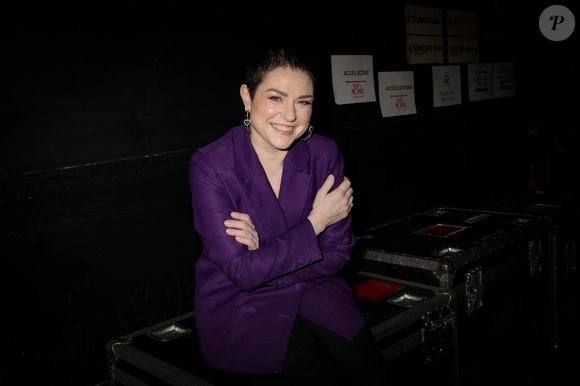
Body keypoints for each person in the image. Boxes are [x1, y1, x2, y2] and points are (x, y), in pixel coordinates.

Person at [188, 49, 388, 385]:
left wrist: (264, 256)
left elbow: (338, 254)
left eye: (303, 102)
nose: (290, 115)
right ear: (247, 97)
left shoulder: (324, 153)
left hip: (318, 292)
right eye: (276, 98)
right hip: (242, 308)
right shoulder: (212, 165)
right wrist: (316, 223)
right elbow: (241, 274)